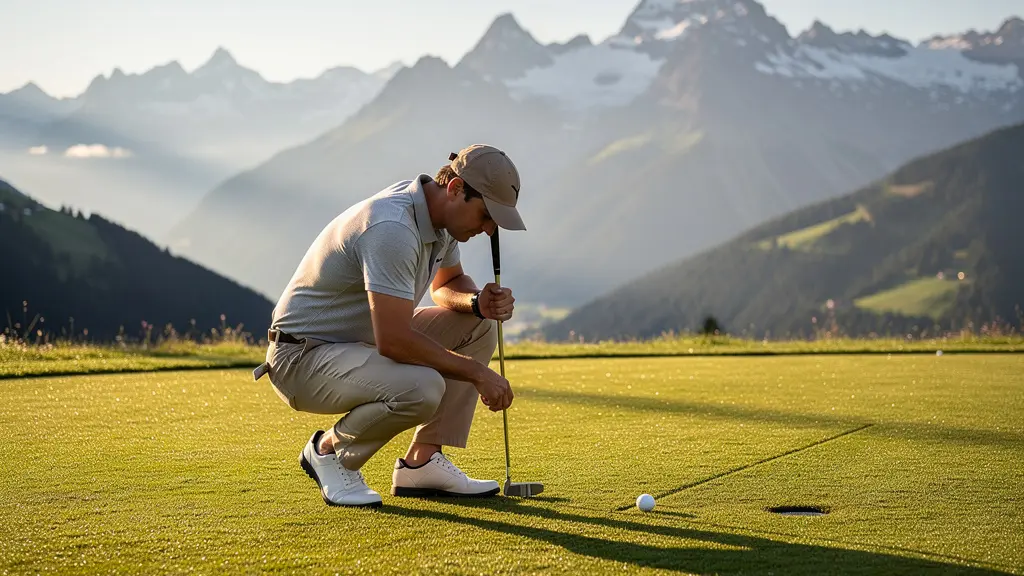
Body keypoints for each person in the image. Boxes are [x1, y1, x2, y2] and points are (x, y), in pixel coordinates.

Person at [252, 144, 526, 508]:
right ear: (456, 189)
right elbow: (394, 340)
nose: (490, 229)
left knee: (480, 325)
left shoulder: (439, 220)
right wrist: (477, 373)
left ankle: (423, 462)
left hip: (358, 341)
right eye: (487, 215)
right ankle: (329, 451)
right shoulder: (393, 227)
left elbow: (447, 284)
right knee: (423, 388)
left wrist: (477, 302)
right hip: (302, 357)